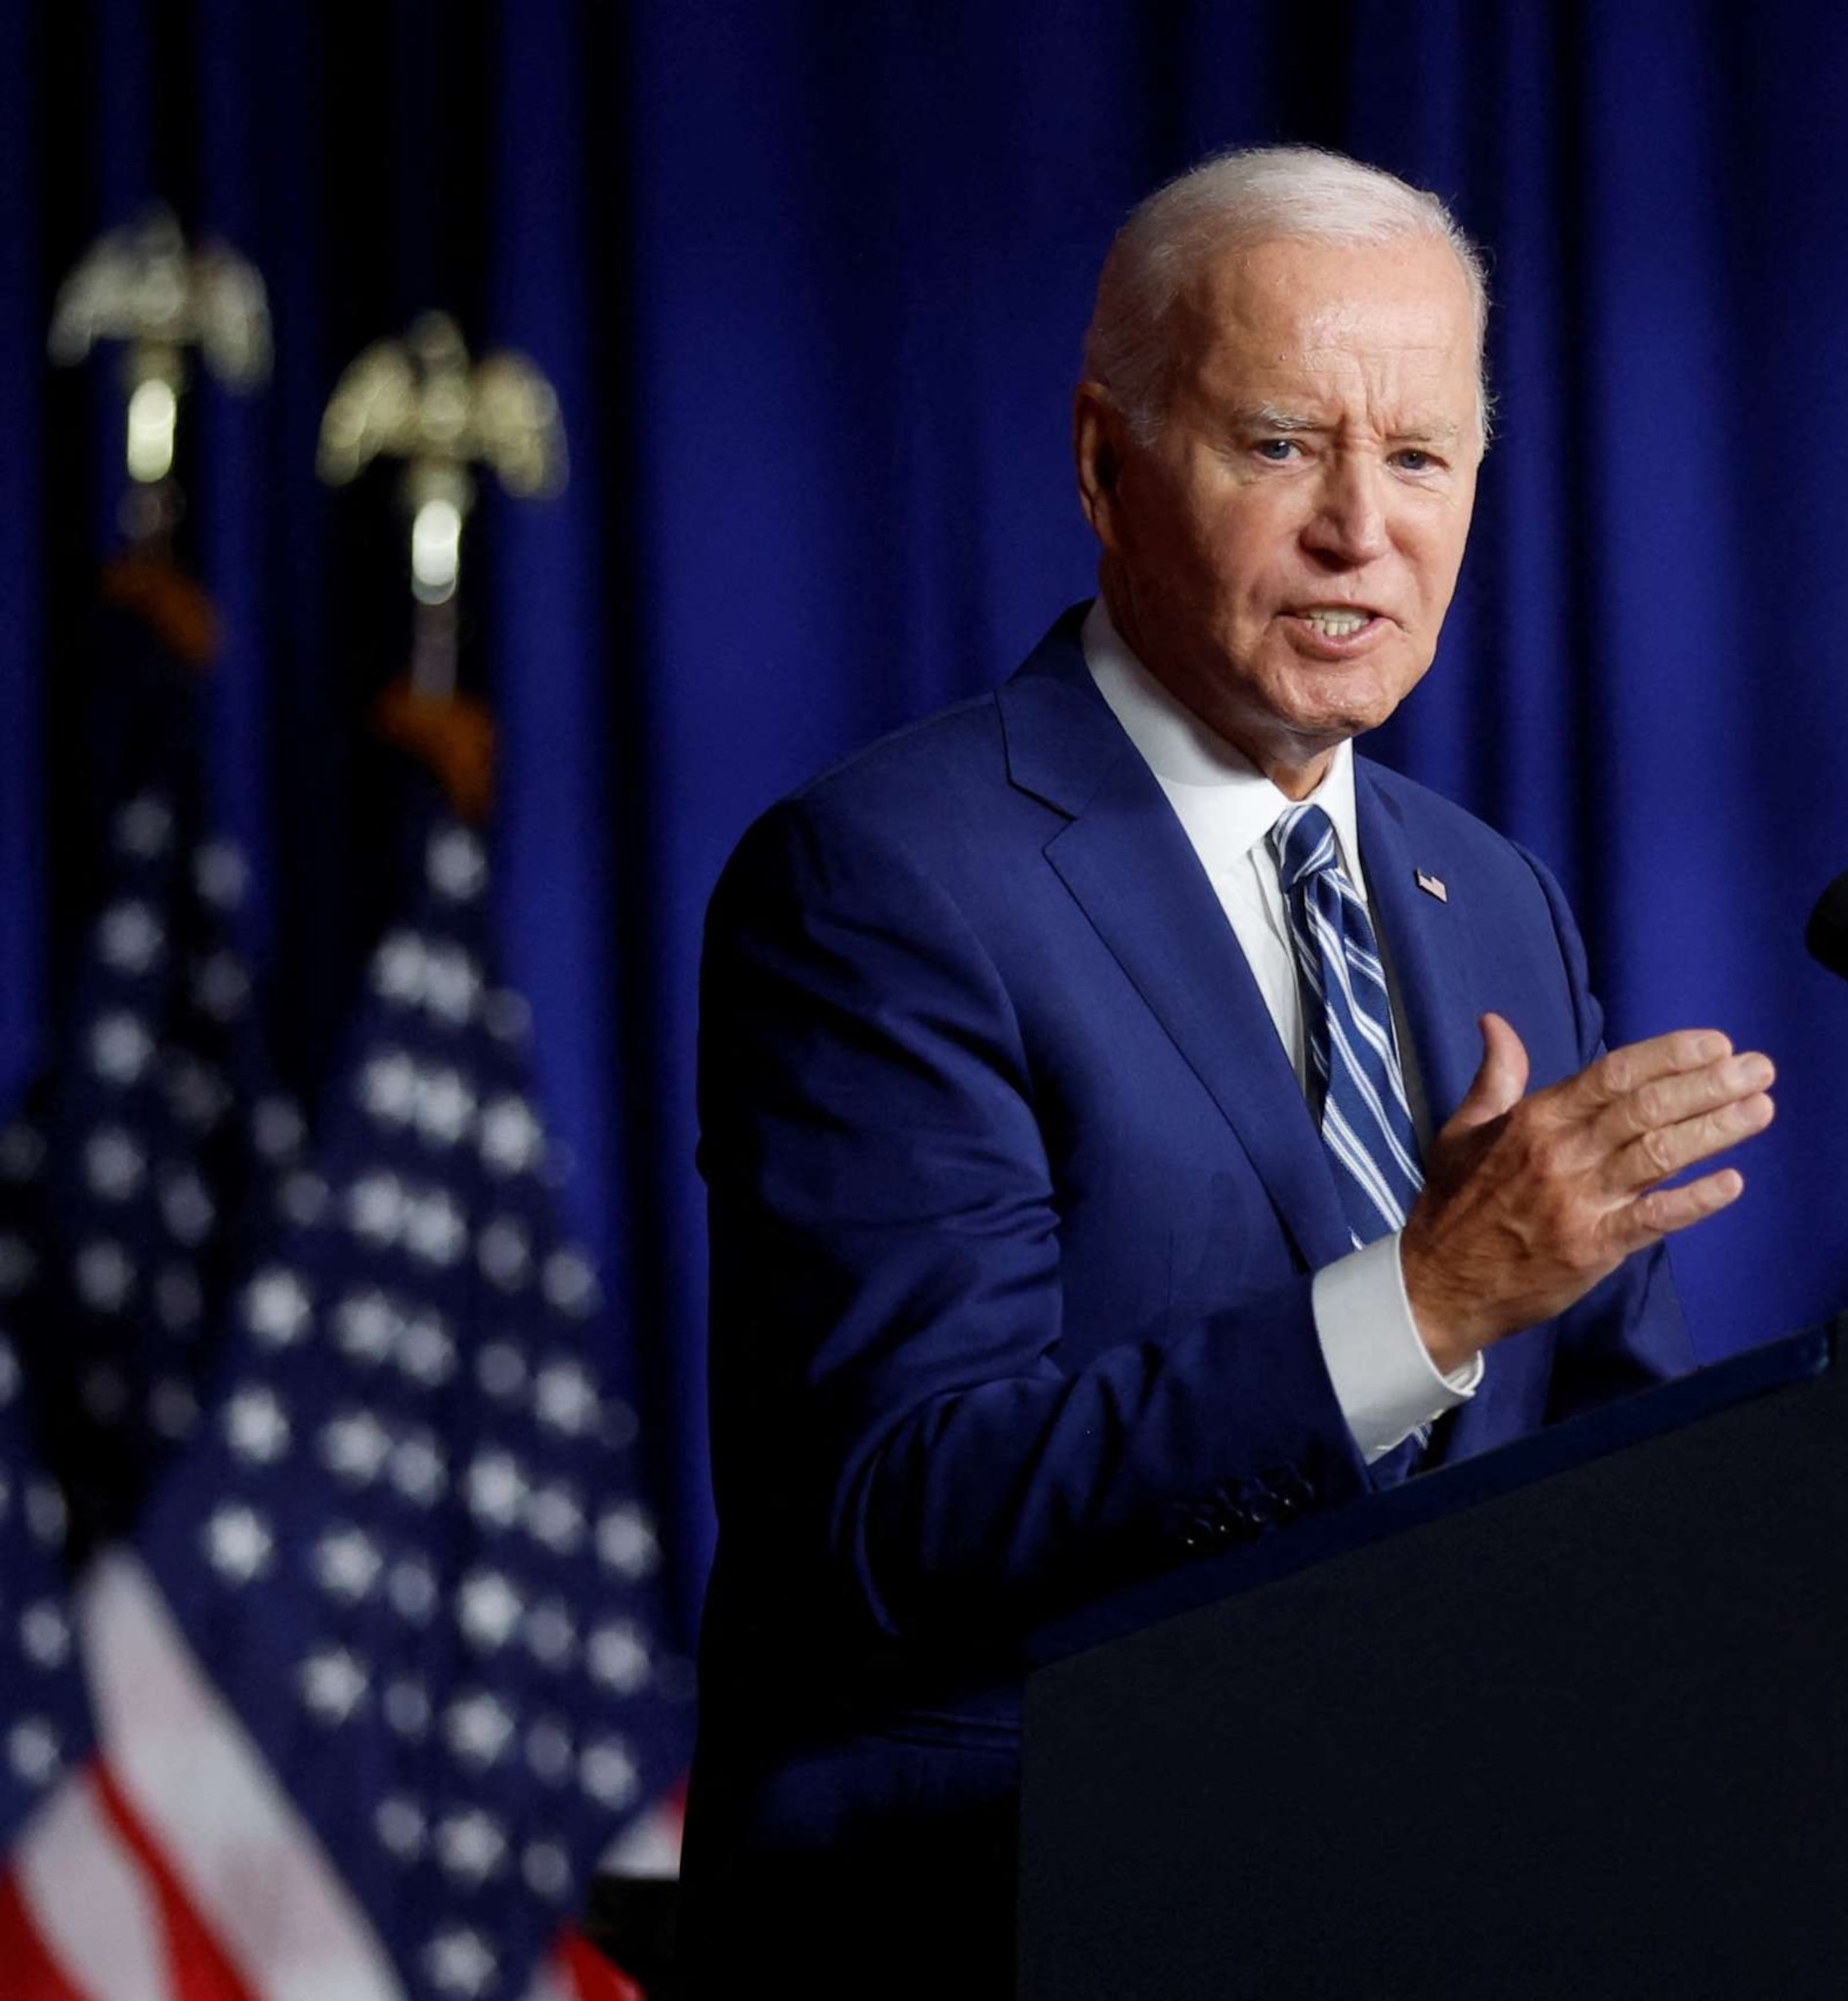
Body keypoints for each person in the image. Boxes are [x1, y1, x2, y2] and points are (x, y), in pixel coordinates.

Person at [673, 146, 1775, 1985]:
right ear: (1106, 463)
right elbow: (893, 1514)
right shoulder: (889, 879)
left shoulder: (1491, 897)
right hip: (998, 1925)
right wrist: (1418, 1304)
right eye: (1283, 445)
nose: (1363, 527)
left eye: (1419, 458)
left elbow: (1603, 1453)